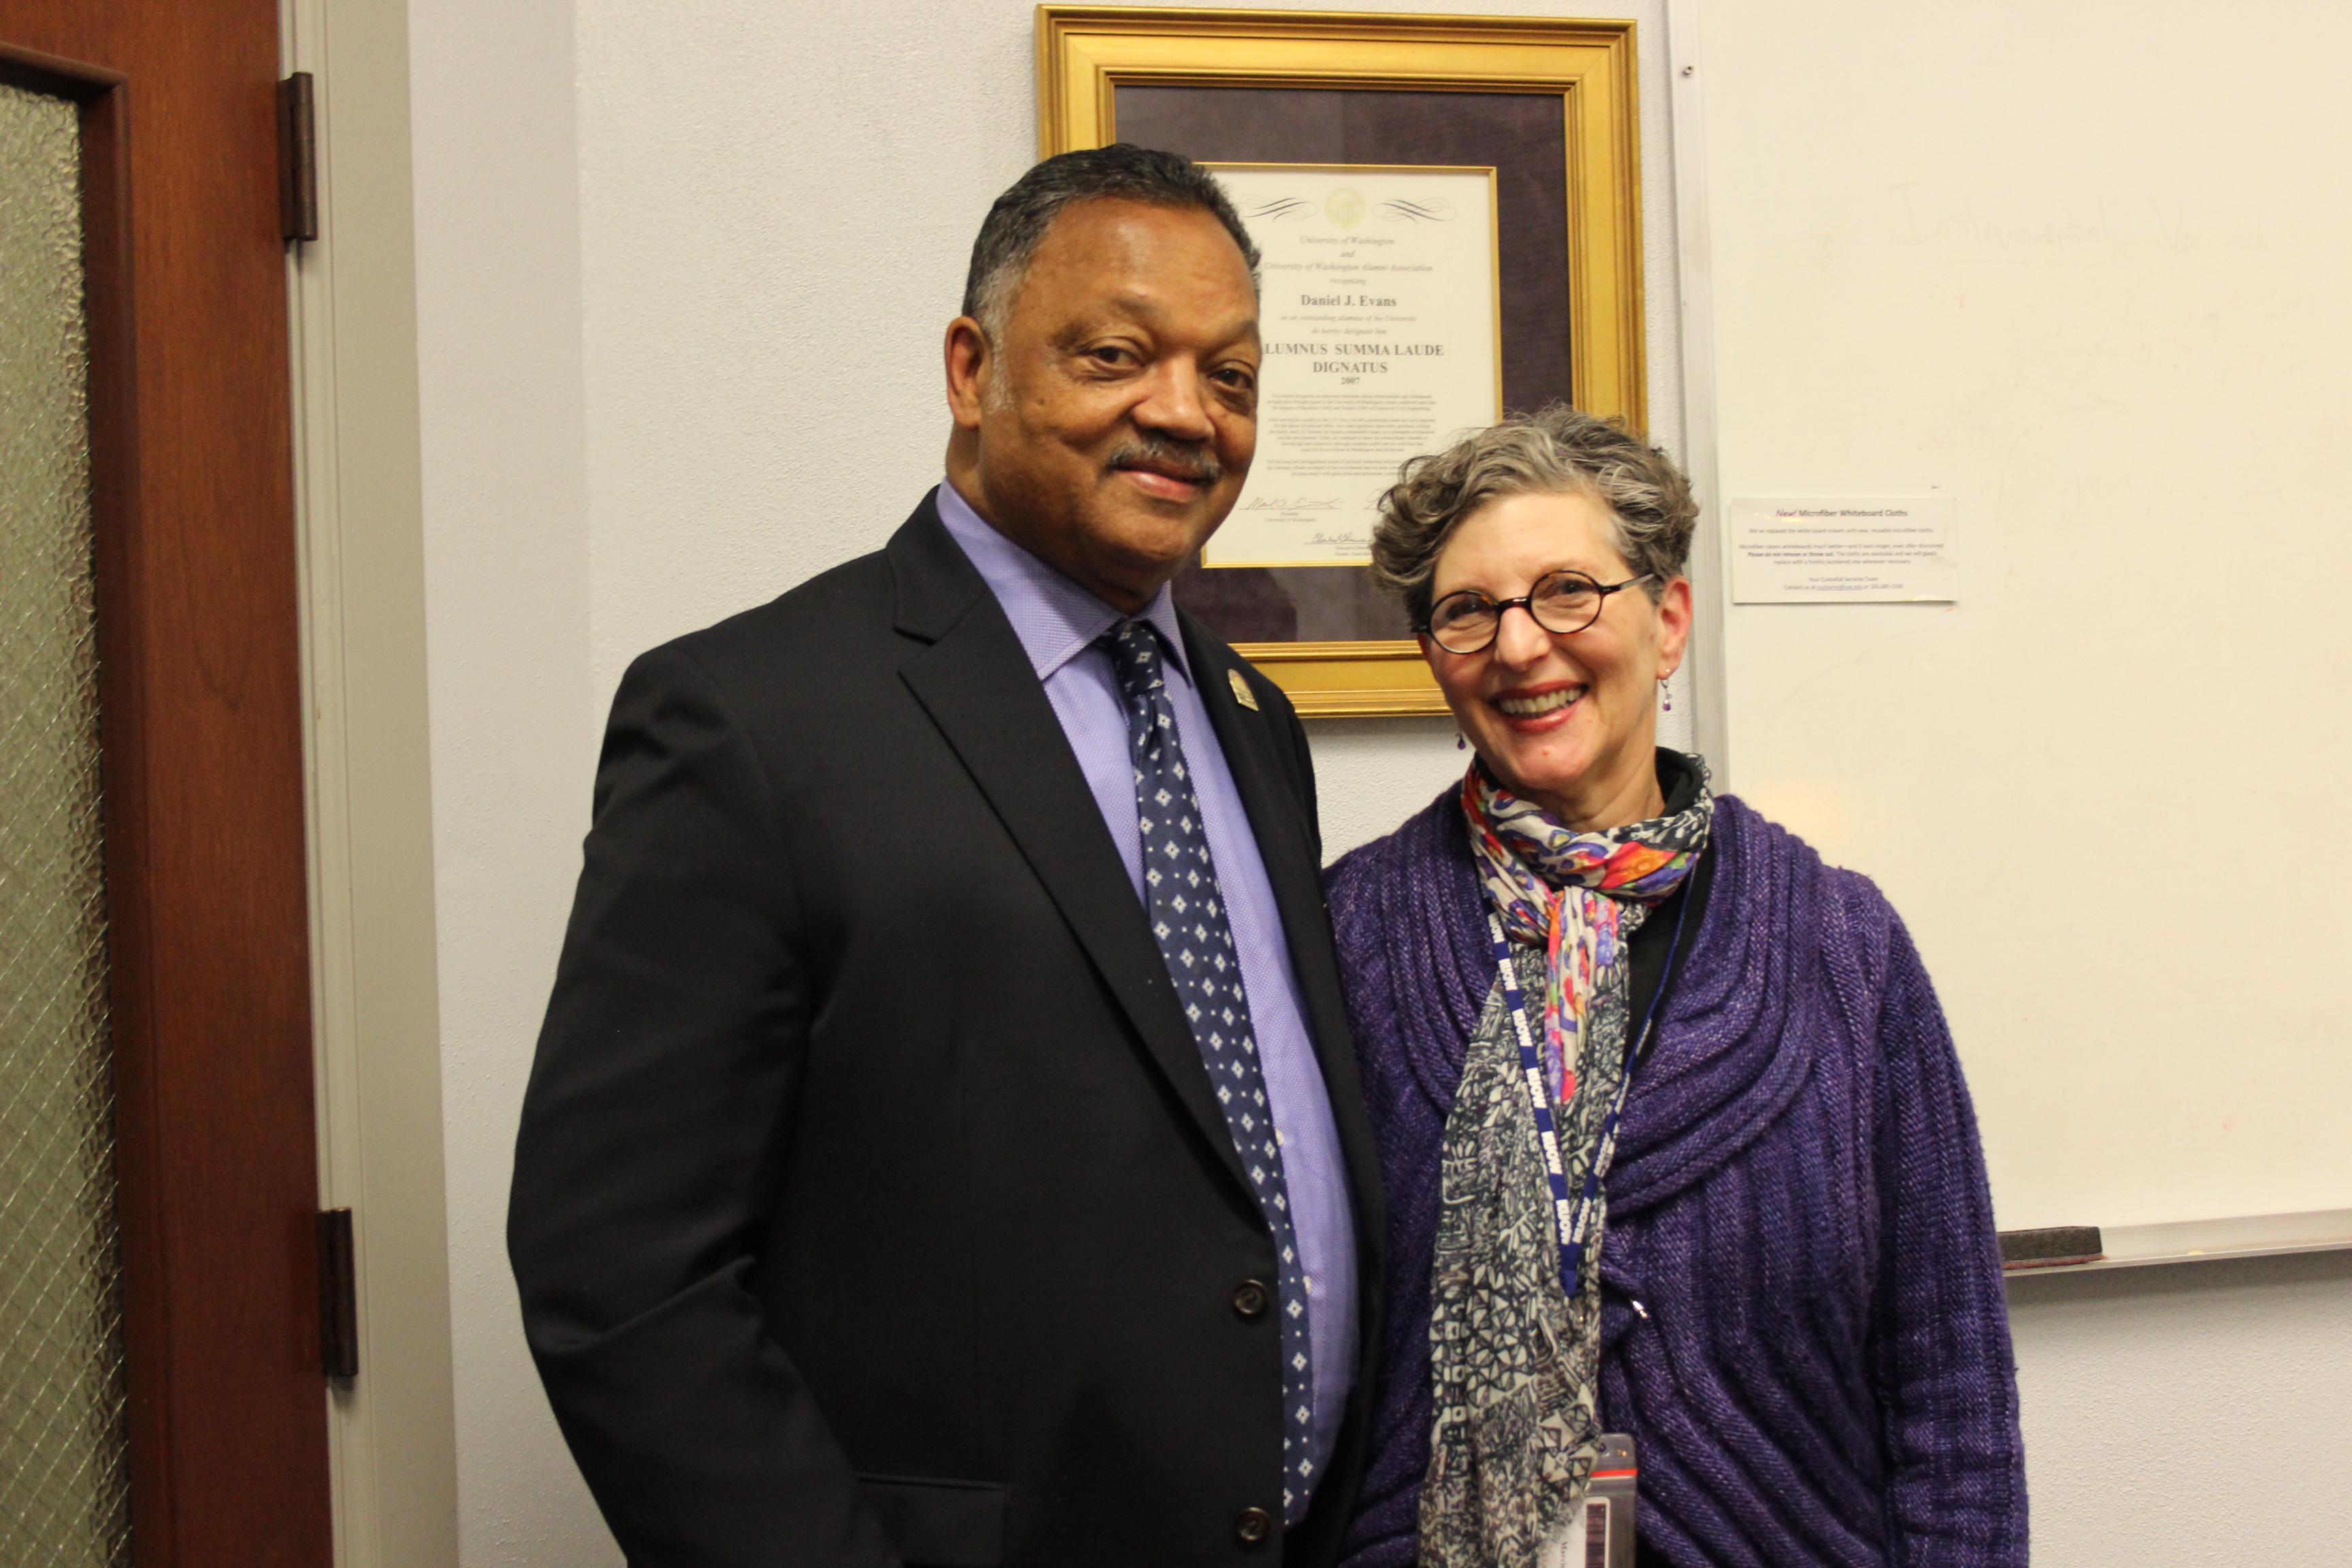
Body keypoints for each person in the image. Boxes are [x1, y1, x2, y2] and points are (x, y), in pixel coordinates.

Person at [508, 145, 1386, 1568]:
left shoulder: (1249, 719)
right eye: (1117, 355)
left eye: (1231, 376)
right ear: (972, 370)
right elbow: (619, 1271)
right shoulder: (751, 720)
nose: (1184, 413)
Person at [1325, 406, 2026, 1568]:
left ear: (1670, 620)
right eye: (1468, 611)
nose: (1519, 646)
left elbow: (1950, 1389)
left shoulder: (1842, 947)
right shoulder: (1347, 938)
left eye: (1568, 591)